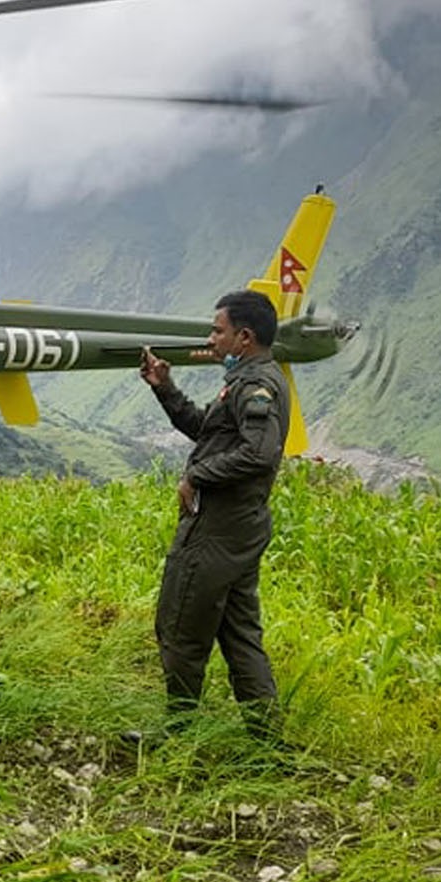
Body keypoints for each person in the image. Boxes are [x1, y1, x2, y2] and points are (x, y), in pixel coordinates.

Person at [138, 289, 288, 738]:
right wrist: (165, 388)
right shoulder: (246, 380)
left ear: (244, 337)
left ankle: (177, 734)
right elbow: (208, 430)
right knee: (240, 635)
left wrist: (197, 476)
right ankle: (268, 743)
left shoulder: (256, 386)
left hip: (218, 529)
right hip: (239, 530)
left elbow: (259, 453)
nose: (211, 338)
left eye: (217, 330)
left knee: (181, 624)